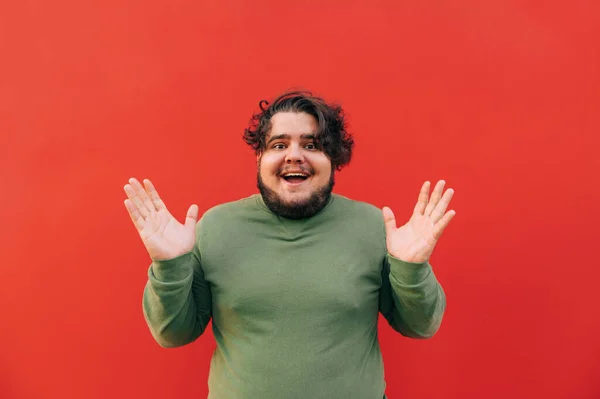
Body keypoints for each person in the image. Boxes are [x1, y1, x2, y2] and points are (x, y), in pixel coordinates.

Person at [123, 90, 455, 399]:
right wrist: (169, 266)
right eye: (279, 145)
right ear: (259, 157)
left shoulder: (372, 227)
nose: (294, 156)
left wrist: (411, 267)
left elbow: (420, 325)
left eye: (311, 145)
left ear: (333, 159)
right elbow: (172, 333)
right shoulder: (216, 227)